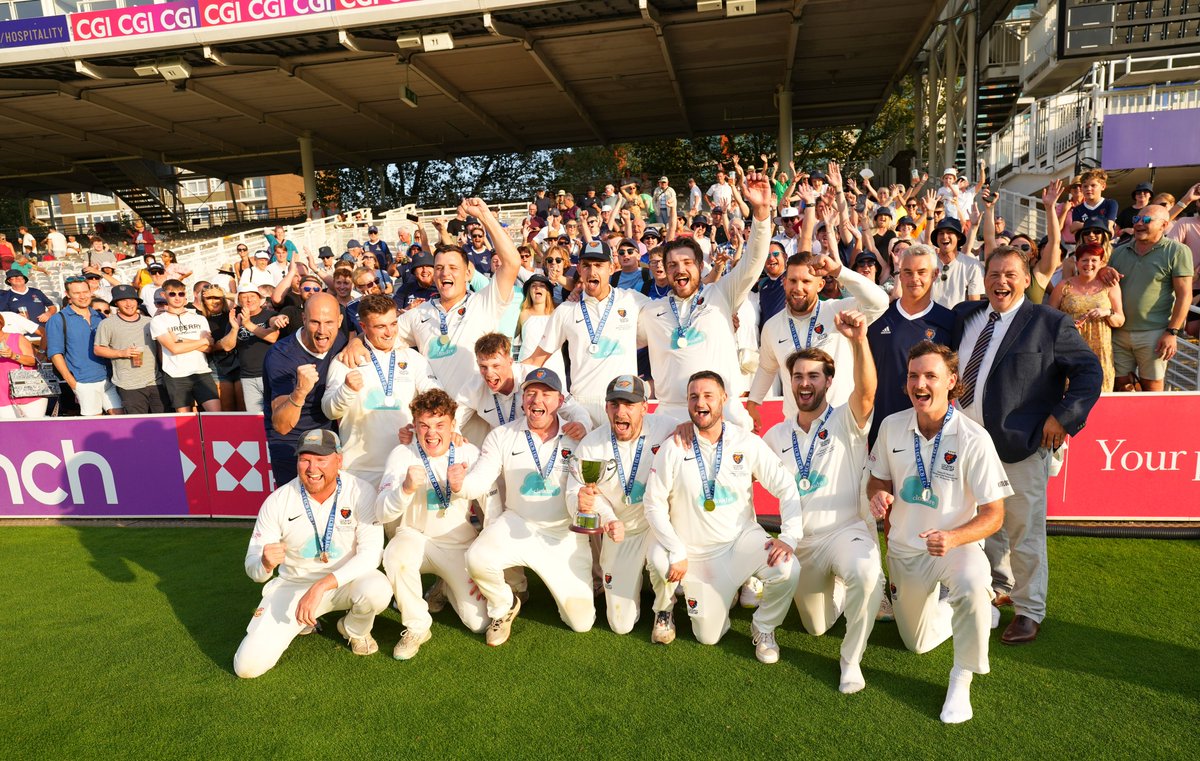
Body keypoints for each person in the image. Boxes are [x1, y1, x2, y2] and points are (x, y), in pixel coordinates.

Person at [951, 247, 1102, 645]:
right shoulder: (967, 318)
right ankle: (998, 587)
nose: (1001, 281)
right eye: (994, 273)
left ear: (1025, 278)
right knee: (982, 525)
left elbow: (1089, 371)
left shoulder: (1048, 322)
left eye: (1010, 274)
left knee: (1025, 531)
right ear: (984, 279)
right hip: (966, 444)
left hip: (1020, 445)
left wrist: (1064, 417)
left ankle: (1029, 610)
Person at [866, 341, 1012, 723]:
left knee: (973, 576)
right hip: (904, 551)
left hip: (954, 547)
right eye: (914, 375)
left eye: (931, 375)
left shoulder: (973, 438)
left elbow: (994, 514)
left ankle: (962, 677)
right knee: (916, 644)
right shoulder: (891, 426)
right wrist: (878, 495)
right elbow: (877, 480)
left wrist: (953, 538)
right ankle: (960, 608)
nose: (920, 383)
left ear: (951, 381)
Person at [642, 371, 803, 660]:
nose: (700, 403)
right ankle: (701, 600)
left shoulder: (746, 442)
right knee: (708, 636)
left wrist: (789, 536)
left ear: (724, 399)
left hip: (739, 543)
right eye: (693, 397)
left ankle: (764, 627)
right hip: (694, 556)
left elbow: (786, 487)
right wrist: (677, 549)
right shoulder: (673, 446)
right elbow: (652, 503)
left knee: (787, 567)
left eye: (708, 396)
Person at [761, 310, 882, 693]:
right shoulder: (775, 436)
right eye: (797, 376)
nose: (805, 383)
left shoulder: (847, 419)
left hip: (846, 531)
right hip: (801, 544)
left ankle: (851, 661)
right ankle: (841, 589)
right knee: (815, 626)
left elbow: (866, 392)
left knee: (864, 570)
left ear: (829, 381)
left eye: (814, 375)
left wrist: (859, 340)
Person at [233, 429, 391, 678]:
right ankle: (301, 623)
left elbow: (372, 555)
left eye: (321, 459)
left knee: (377, 588)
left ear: (339, 460)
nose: (311, 467)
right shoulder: (278, 501)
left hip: (343, 583)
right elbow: (253, 569)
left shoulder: (360, 492)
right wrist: (264, 563)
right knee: (246, 668)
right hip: (294, 586)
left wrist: (320, 587)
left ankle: (354, 629)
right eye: (305, 459)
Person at [457, 367, 593, 645]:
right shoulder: (502, 436)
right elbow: (480, 480)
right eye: (531, 393)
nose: (537, 400)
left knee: (581, 623)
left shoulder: (577, 437)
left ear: (559, 401)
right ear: (522, 400)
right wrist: (461, 485)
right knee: (476, 558)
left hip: (563, 534)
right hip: (517, 521)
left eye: (546, 394)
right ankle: (503, 605)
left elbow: (582, 488)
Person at [639, 170, 774, 426]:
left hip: (726, 414)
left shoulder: (721, 293)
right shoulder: (650, 310)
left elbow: (754, 261)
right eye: (673, 265)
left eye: (687, 262)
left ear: (701, 266)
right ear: (665, 271)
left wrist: (761, 214)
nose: (680, 269)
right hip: (671, 417)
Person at [374, 389, 489, 659]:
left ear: (453, 425)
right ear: (414, 426)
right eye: (423, 425)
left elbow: (490, 507)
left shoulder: (468, 452)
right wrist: (404, 489)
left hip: (457, 544)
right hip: (415, 537)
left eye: (440, 425)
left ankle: (445, 586)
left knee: (479, 623)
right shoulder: (402, 454)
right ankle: (417, 626)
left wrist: (482, 560)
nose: (431, 433)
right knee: (396, 556)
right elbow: (381, 513)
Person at [566, 375, 679, 635]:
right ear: (606, 408)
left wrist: (686, 428)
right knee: (621, 625)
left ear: (644, 407)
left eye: (629, 404)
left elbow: (701, 432)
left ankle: (665, 609)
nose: (621, 412)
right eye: (614, 404)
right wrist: (594, 511)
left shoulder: (667, 427)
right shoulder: (593, 443)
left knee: (662, 563)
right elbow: (576, 492)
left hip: (657, 526)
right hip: (619, 533)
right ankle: (643, 581)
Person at [392, 198, 521, 402]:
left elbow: (512, 262)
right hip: (439, 423)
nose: (445, 274)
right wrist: (355, 343)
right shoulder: (418, 313)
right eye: (439, 268)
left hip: (481, 418)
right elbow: (381, 336)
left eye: (453, 268)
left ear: (468, 273)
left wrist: (485, 216)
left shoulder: (484, 301)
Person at [747, 250, 888, 431]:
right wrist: (753, 401)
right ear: (784, 283)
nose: (798, 288)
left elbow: (880, 302)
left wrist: (838, 271)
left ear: (820, 284)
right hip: (796, 428)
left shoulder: (839, 311)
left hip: (840, 424)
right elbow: (767, 367)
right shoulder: (772, 326)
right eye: (792, 280)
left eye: (806, 281)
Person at [323, 294, 441, 488]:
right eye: (380, 327)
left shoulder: (413, 358)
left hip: (404, 465)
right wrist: (346, 390)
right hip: (359, 469)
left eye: (393, 324)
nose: (389, 333)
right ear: (363, 327)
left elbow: (437, 397)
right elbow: (329, 410)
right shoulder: (346, 360)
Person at [527, 241, 649, 425]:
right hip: (582, 408)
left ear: (611, 268)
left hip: (624, 403)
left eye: (599, 265)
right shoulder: (566, 310)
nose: (592, 272)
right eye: (586, 265)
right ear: (580, 270)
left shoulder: (632, 299)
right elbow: (536, 360)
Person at [866, 245, 956, 447]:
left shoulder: (949, 321)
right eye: (907, 272)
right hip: (882, 430)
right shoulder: (879, 318)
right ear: (900, 274)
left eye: (922, 272)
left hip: (932, 434)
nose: (914, 278)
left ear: (935, 274)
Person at [263, 293, 349, 486]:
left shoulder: (340, 340)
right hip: (292, 443)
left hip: (328, 438)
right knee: (295, 507)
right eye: (315, 322)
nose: (322, 330)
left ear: (339, 321)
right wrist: (299, 392)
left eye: (329, 322)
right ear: (303, 319)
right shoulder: (281, 356)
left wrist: (357, 343)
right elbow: (281, 425)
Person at [1106, 204, 1193, 393]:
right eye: (1136, 219)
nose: (1139, 224)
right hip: (1118, 332)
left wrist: (1172, 332)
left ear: (1163, 225)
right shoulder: (1119, 251)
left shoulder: (1177, 250)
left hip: (1155, 334)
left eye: (1146, 220)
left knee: (1152, 391)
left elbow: (1185, 294)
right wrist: (1103, 272)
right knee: (1120, 388)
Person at [1047, 243, 1124, 392]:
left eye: (1094, 260)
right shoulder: (1064, 285)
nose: (1089, 264)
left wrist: (1107, 312)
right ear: (1077, 263)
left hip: (1101, 349)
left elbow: (1120, 320)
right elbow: (1049, 318)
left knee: (1101, 393)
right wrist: (1067, 324)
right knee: (1070, 393)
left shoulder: (1110, 286)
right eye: (1084, 260)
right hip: (1071, 347)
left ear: (1101, 263)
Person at [47, 277, 123, 417]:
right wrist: (71, 381)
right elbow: (55, 353)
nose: (82, 296)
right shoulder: (58, 319)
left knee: (119, 416)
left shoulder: (99, 316)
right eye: (76, 293)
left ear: (90, 292)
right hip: (83, 381)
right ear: (68, 295)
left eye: (85, 291)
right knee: (95, 423)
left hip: (109, 378)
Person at [150, 280, 220, 414]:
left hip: (201, 373)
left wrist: (180, 339)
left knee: (217, 416)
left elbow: (209, 348)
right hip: (176, 376)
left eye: (181, 294)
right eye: (172, 294)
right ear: (164, 295)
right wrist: (202, 341)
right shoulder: (158, 320)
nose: (177, 297)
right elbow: (174, 349)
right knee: (185, 421)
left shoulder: (199, 318)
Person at [93, 285, 163, 415]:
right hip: (128, 385)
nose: (129, 303)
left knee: (164, 422)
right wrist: (121, 353)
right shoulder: (107, 324)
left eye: (132, 299)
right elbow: (98, 350)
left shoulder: (150, 322)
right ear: (116, 303)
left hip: (156, 381)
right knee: (138, 425)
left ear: (137, 301)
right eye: (123, 300)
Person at [219, 286, 279, 414]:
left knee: (276, 414)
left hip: (271, 375)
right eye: (244, 297)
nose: (249, 300)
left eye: (252, 296)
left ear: (259, 299)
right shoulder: (235, 319)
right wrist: (235, 328)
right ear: (239, 301)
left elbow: (273, 337)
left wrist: (248, 325)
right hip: (248, 378)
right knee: (256, 418)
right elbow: (227, 346)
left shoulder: (270, 315)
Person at [927, 217, 983, 308]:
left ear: (959, 237)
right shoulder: (927, 262)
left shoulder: (972, 265)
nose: (945, 236)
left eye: (950, 232)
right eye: (941, 233)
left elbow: (974, 303)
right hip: (927, 318)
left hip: (957, 318)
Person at [515, 274, 563, 381]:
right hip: (527, 366)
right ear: (529, 291)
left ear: (547, 292)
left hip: (553, 365)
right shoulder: (522, 313)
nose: (537, 288)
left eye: (542, 285)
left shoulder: (558, 313)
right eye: (533, 285)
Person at [0, 311, 45, 419]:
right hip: (2, 396)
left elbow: (34, 361)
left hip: (29, 392)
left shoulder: (17, 338)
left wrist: (13, 356)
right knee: (9, 432)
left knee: (35, 430)